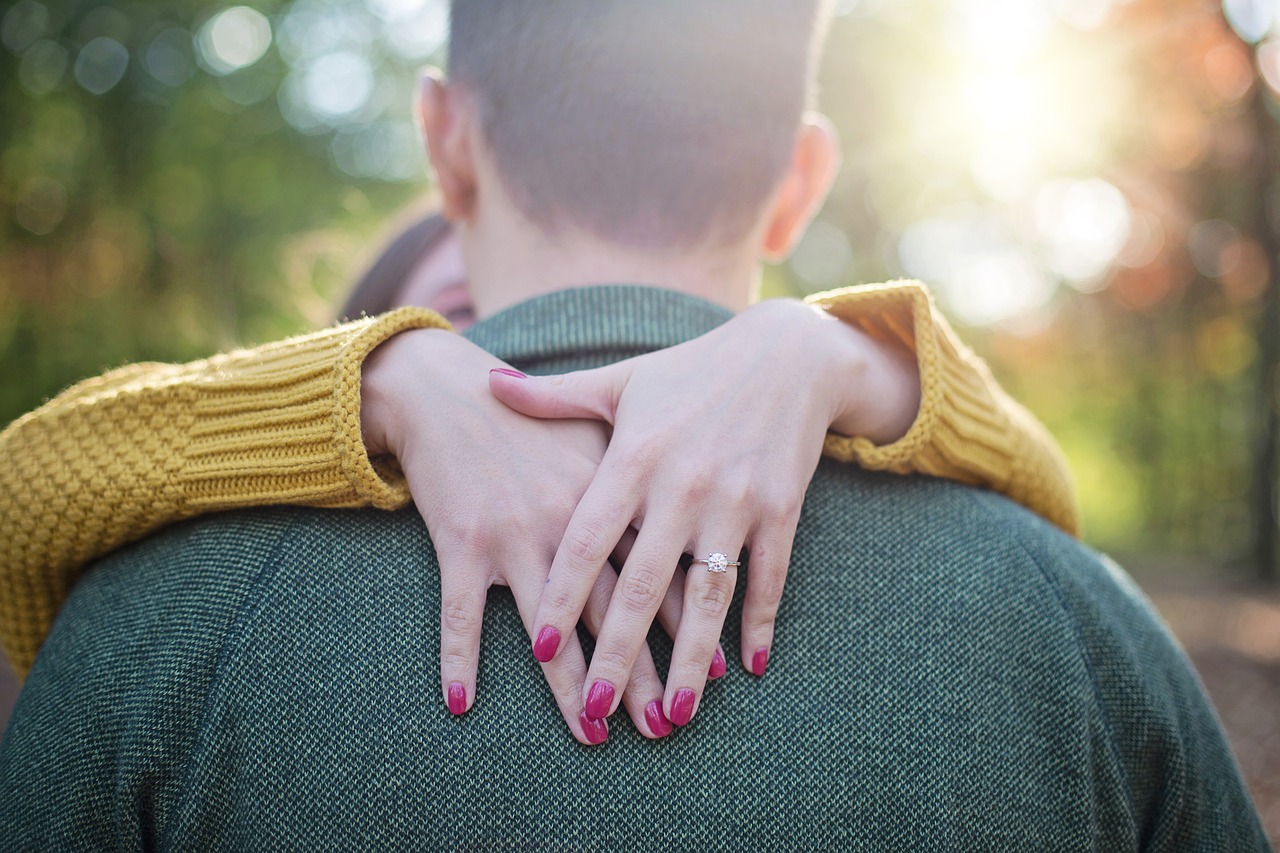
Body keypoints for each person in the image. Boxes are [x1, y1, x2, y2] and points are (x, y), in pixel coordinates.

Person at [0, 0, 1267, 846]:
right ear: (797, 185)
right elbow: (1051, 514)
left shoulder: (151, 622)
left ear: (445, 145)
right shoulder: (1072, 615)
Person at [0, 157, 1081, 737]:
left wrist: (836, 357)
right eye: (451, 322)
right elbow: (25, 487)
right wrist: (389, 380)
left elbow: (1049, 494)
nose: (509, 358)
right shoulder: (355, 433)